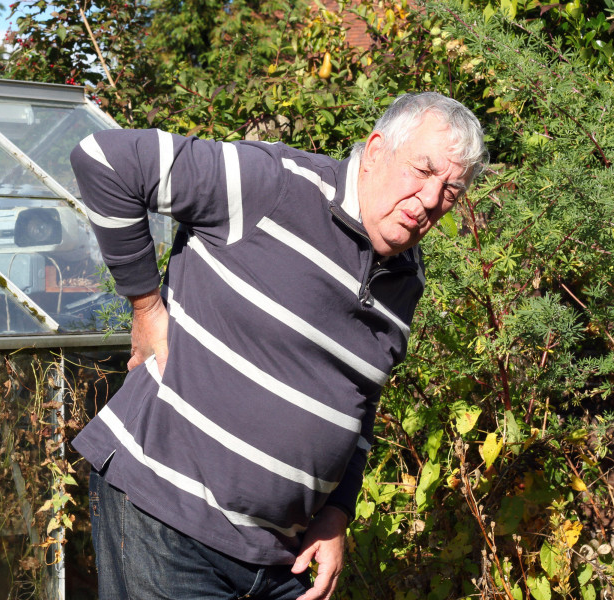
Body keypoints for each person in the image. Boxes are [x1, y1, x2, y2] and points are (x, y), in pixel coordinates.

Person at [71, 91, 487, 600]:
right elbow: (106, 160)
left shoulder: (406, 277)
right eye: (422, 171)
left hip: (277, 560)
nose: (429, 200)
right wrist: (145, 307)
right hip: (165, 521)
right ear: (377, 149)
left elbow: (359, 402)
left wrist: (337, 512)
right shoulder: (276, 184)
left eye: (451, 191)